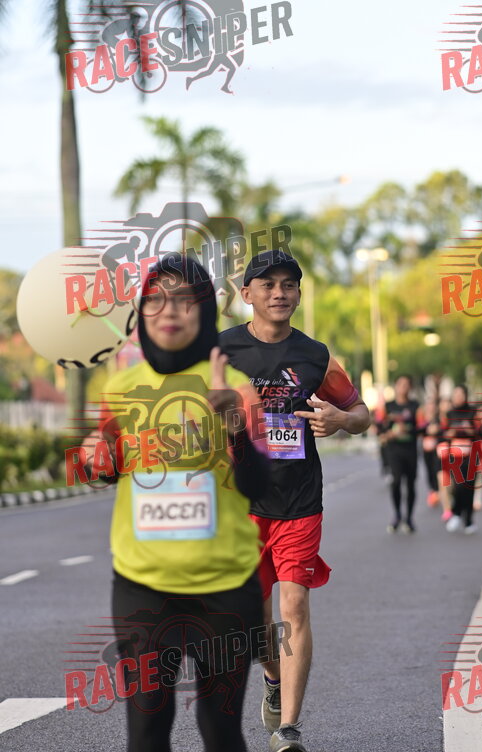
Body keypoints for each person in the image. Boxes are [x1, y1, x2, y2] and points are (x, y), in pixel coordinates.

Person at [81, 254, 271, 752]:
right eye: (156, 299)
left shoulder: (236, 386)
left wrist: (234, 424)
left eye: (185, 300)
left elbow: (259, 484)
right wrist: (94, 458)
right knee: (146, 732)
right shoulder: (119, 389)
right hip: (142, 584)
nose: (169, 310)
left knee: (221, 731)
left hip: (225, 585)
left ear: (204, 313)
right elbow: (105, 470)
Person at [219, 249, 370, 752]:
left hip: (300, 500)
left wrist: (341, 421)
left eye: (289, 284)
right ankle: (274, 678)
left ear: (299, 294)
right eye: (268, 284)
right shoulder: (221, 351)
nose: (279, 293)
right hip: (241, 503)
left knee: (295, 605)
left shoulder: (315, 355)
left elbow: (361, 412)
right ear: (247, 294)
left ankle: (288, 729)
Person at [378, 374, 420, 534]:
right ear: (395, 386)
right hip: (394, 451)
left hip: (410, 450)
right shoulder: (388, 406)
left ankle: (409, 518)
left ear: (410, 387)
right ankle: (397, 515)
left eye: (406, 384)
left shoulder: (415, 406)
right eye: (400, 384)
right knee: (396, 482)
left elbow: (422, 427)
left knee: (410, 484)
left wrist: (407, 429)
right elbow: (379, 425)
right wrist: (387, 434)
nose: (403, 387)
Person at [440, 385, 479, 534]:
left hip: (471, 455)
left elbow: (480, 432)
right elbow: (443, 433)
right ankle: (456, 513)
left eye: (460, 394)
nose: (458, 397)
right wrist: (450, 433)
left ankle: (468, 520)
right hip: (454, 456)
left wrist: (470, 430)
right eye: (455, 394)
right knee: (458, 486)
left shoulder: (473, 412)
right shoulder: (449, 413)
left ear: (465, 395)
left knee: (469, 487)